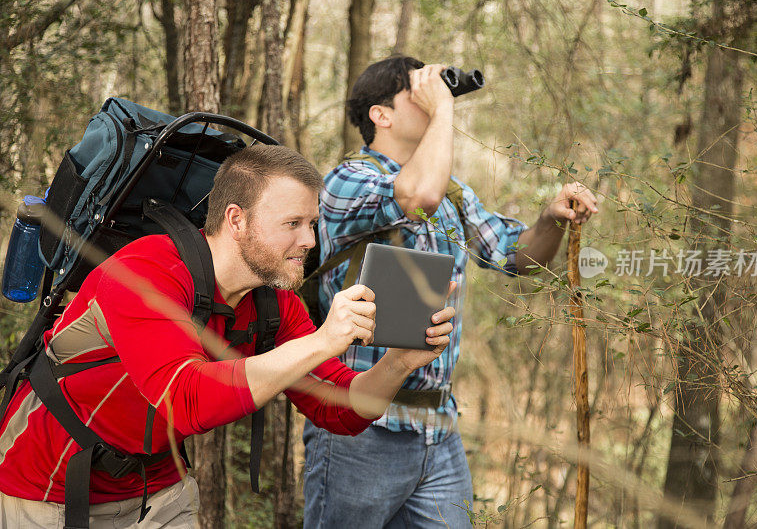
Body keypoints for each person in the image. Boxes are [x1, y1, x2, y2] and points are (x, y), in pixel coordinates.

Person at [0, 144, 455, 528]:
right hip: (46, 484)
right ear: (236, 220)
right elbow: (185, 399)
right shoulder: (147, 271)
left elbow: (339, 410)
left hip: (155, 485)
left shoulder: (273, 304)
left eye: (312, 223)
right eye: (292, 224)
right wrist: (322, 340)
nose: (311, 241)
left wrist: (398, 363)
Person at [305, 55, 600, 528]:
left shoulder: (453, 193)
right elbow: (416, 194)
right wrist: (443, 108)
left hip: (438, 428)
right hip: (360, 429)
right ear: (380, 115)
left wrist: (549, 218)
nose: (432, 97)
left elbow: (516, 257)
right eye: (416, 92)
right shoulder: (348, 180)